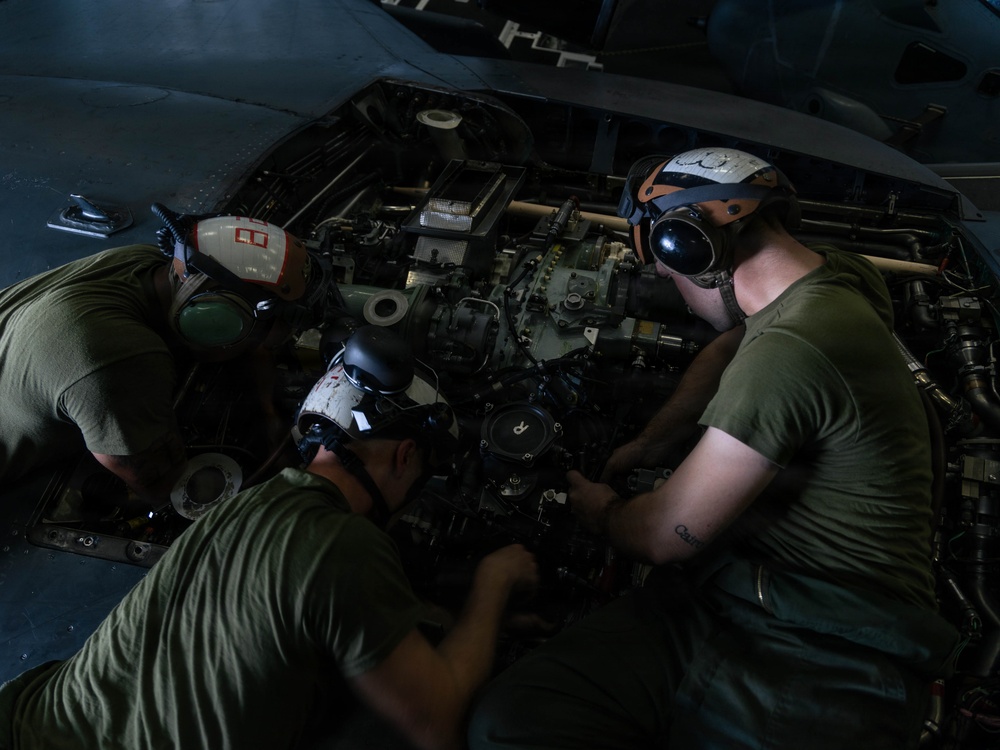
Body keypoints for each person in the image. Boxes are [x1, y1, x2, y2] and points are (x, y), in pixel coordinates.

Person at [468, 147, 960, 749]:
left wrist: (599, 510)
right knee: (516, 717)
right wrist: (654, 439)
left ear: (691, 249)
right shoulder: (837, 278)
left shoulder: (794, 352)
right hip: (733, 597)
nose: (673, 288)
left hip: (829, 654)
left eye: (669, 272)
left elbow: (665, 534)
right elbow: (733, 343)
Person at [0, 325, 539, 750]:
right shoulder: (345, 544)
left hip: (32, 719)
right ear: (404, 456)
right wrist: (492, 587)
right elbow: (436, 726)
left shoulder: (247, 504)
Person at [0, 205, 323, 510]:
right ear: (216, 319)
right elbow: (161, 486)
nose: (268, 338)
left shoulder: (147, 263)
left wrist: (267, 415)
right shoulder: (121, 359)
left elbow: (251, 347)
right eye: (266, 325)